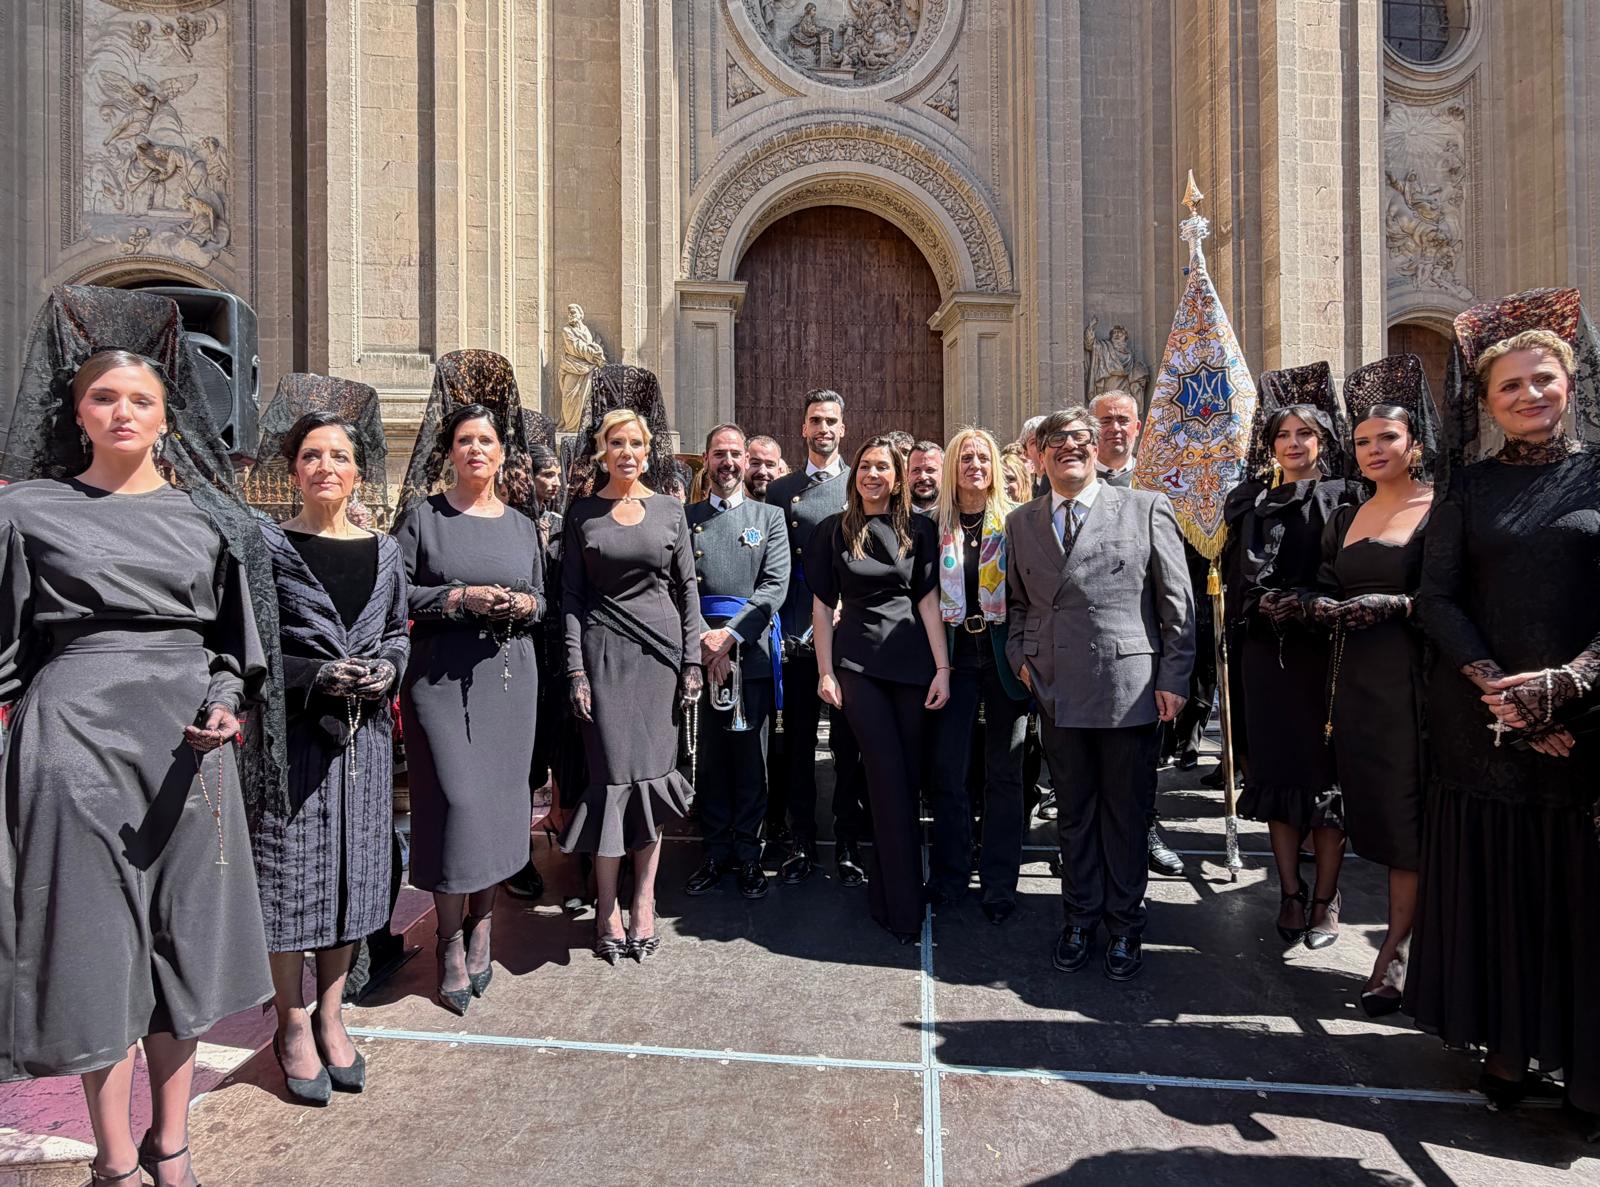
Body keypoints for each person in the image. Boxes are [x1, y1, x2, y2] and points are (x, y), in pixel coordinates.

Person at [1, 288, 280, 1187]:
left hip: (189, 752)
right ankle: (115, 1160)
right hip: (72, 748)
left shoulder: (211, 517)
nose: (123, 412)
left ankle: (172, 1142)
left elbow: (234, 646)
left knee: (183, 946)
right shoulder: (26, 509)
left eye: (141, 399)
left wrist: (228, 702)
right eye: (104, 397)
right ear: (77, 411)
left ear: (168, 417)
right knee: (95, 955)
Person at [1409, 288, 1600, 1127]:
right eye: (1509, 386)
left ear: (1570, 383)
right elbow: (1437, 596)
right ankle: (1510, 1044)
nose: (1529, 395)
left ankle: (1588, 1063)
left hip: (1586, 731)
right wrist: (1498, 686)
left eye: (1541, 379)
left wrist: (1566, 687)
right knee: (1504, 895)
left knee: (1576, 902)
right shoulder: (1470, 485)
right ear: (1485, 403)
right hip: (1483, 727)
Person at [1004, 407, 1194, 982]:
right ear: (1039, 455)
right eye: (1056, 440)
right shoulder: (1020, 522)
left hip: (1127, 690)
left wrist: (1174, 677)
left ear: (1096, 448)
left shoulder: (1145, 507)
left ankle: (1125, 924)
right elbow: (1017, 603)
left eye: (1081, 438)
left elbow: (1176, 604)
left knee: (1125, 814)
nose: (1070, 447)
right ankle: (1080, 918)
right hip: (1056, 687)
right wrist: (1021, 657)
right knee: (1074, 812)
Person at [257, 403, 409, 1103]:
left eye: (339, 456)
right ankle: (291, 1022)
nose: (326, 466)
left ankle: (331, 1011)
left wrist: (388, 669)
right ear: (294, 470)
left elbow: (397, 632)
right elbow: (252, 645)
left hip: (364, 740)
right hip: (294, 740)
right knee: (289, 878)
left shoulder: (386, 550)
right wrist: (313, 674)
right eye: (312, 455)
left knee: (355, 873)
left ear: (358, 472)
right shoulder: (267, 546)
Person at [395, 356, 545, 1016]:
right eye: (465, 441)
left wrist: (524, 605)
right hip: (438, 680)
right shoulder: (423, 519)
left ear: (501, 452)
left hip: (510, 682)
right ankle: (448, 938)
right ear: (450, 452)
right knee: (454, 804)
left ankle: (482, 923)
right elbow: (397, 593)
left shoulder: (520, 524)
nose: (476, 449)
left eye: (486, 440)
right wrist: (459, 598)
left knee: (498, 807)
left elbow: (543, 598)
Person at [1301, 356, 1436, 1018]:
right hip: (1350, 681)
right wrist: (1309, 604)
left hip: (1415, 684)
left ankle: (1396, 954)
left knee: (1409, 819)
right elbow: (1329, 582)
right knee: (1367, 810)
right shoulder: (1348, 513)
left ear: (1415, 443)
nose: (1374, 449)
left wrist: (1401, 606)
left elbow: (1453, 597)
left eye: (1387, 437)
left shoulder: (1440, 508)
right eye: (1362, 441)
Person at [1223, 365, 1358, 953]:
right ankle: (1290, 892)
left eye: (1305, 434)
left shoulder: (1347, 496)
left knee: (1325, 781)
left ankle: (1327, 898)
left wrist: (1310, 603)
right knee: (1277, 774)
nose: (1294, 443)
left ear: (1323, 440)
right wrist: (1258, 603)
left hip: (1325, 656)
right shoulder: (1252, 502)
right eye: (1283, 435)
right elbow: (1236, 578)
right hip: (1264, 656)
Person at [561, 408, 699, 963]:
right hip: (604, 658)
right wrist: (575, 669)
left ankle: (643, 902)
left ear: (647, 451)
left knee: (650, 786)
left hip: (660, 658)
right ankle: (605, 908)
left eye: (635, 443)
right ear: (603, 451)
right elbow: (571, 597)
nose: (626, 452)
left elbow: (688, 589)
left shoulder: (670, 510)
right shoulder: (582, 513)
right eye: (616, 443)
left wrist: (692, 661)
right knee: (611, 782)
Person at [806, 436, 949, 941]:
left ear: (897, 476)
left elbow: (928, 602)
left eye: (882, 467)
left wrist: (942, 668)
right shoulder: (833, 530)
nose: (872, 474)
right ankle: (901, 906)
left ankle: (894, 890)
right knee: (885, 775)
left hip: (912, 667)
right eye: (865, 466)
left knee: (906, 778)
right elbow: (822, 608)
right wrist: (825, 671)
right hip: (857, 666)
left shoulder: (920, 529)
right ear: (855, 475)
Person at [926, 428, 1030, 922]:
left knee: (1005, 773)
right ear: (952, 467)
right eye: (965, 458)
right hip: (953, 656)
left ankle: (999, 883)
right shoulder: (931, 525)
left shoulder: (1016, 523)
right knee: (949, 771)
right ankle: (950, 874)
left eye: (983, 458)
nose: (975, 466)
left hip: (1002, 654)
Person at [765, 390, 869, 886]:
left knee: (847, 747)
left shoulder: (861, 484)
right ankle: (801, 842)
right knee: (798, 746)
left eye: (831, 421)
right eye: (815, 420)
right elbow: (775, 566)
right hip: (796, 632)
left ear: (843, 429)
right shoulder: (780, 491)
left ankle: (847, 844)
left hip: (848, 634)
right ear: (803, 428)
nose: (823, 428)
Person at [683, 424, 789, 899]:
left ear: (746, 461)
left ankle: (749, 854)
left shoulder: (770, 518)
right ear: (706, 460)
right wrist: (705, 643)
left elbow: (774, 587)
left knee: (750, 763)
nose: (727, 462)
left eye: (734, 454)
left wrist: (727, 639)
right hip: (700, 651)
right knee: (709, 763)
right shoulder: (686, 519)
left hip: (751, 652)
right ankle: (714, 851)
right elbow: (679, 587)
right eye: (718, 454)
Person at [1090, 390, 1190, 878]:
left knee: (1140, 762)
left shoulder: (1160, 490)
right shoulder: (1060, 486)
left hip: (1139, 655)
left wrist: (1175, 669)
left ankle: (1145, 830)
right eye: (1105, 420)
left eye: (1123, 420)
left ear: (1138, 427)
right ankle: (1084, 843)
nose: (1114, 428)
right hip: (1080, 656)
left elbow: (1174, 587)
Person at [745, 434, 784, 501]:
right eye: (755, 463)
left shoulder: (788, 506)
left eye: (770, 465)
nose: (762, 472)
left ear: (779, 471)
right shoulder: (730, 505)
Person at [908, 440, 942, 514]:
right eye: (916, 470)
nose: (923, 477)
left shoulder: (956, 515)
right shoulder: (894, 515)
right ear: (907, 474)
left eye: (930, 470)